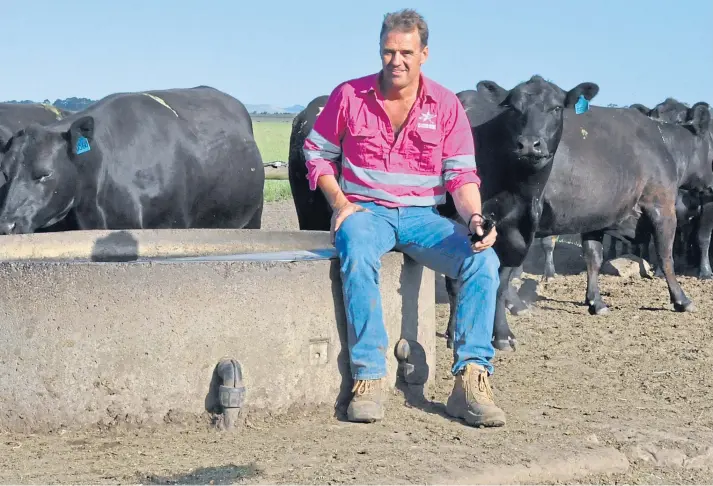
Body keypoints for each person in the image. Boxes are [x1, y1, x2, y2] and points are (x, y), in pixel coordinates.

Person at [302, 8, 505, 428]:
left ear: (424, 54)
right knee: (354, 243)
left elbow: (461, 175)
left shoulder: (446, 105)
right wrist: (340, 203)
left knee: (483, 259)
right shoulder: (349, 96)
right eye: (388, 51)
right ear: (380, 51)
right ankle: (369, 376)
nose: (397, 61)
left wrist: (474, 220)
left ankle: (470, 381)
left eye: (406, 52)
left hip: (421, 218)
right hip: (367, 212)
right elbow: (316, 151)